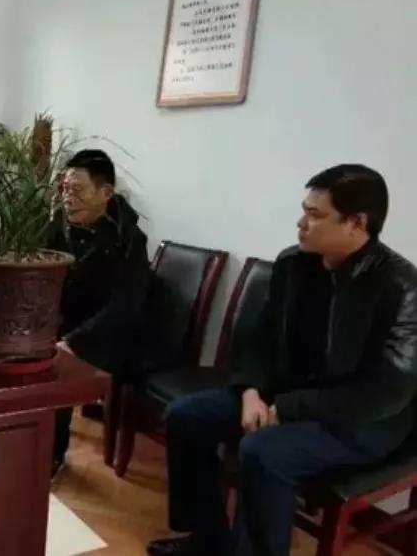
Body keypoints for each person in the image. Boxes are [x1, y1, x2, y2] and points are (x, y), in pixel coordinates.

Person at [148, 164, 417, 556]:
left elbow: (385, 393)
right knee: (185, 416)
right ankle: (208, 540)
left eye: (315, 215)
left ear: (357, 223)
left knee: (263, 451)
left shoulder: (402, 288)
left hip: (361, 422)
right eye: (304, 211)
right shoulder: (293, 264)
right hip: (285, 395)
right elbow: (258, 338)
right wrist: (251, 391)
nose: (300, 223)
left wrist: (288, 409)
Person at [47, 149, 152, 476]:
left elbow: (126, 306)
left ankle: (51, 457)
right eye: (65, 188)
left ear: (105, 193)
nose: (68, 198)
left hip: (108, 333)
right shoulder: (58, 227)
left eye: (77, 190)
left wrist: (74, 341)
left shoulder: (128, 239)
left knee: (55, 364)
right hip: (65, 323)